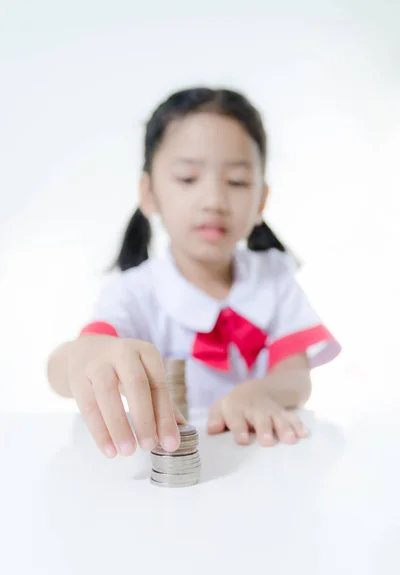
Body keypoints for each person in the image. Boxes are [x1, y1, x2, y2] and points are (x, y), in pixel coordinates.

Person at [47, 87, 341, 459]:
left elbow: (296, 377)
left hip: (265, 467)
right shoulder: (134, 293)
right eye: (188, 178)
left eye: (236, 182)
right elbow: (61, 371)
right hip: (173, 480)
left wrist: (261, 392)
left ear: (261, 201)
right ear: (149, 192)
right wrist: (83, 356)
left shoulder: (274, 279)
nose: (214, 201)